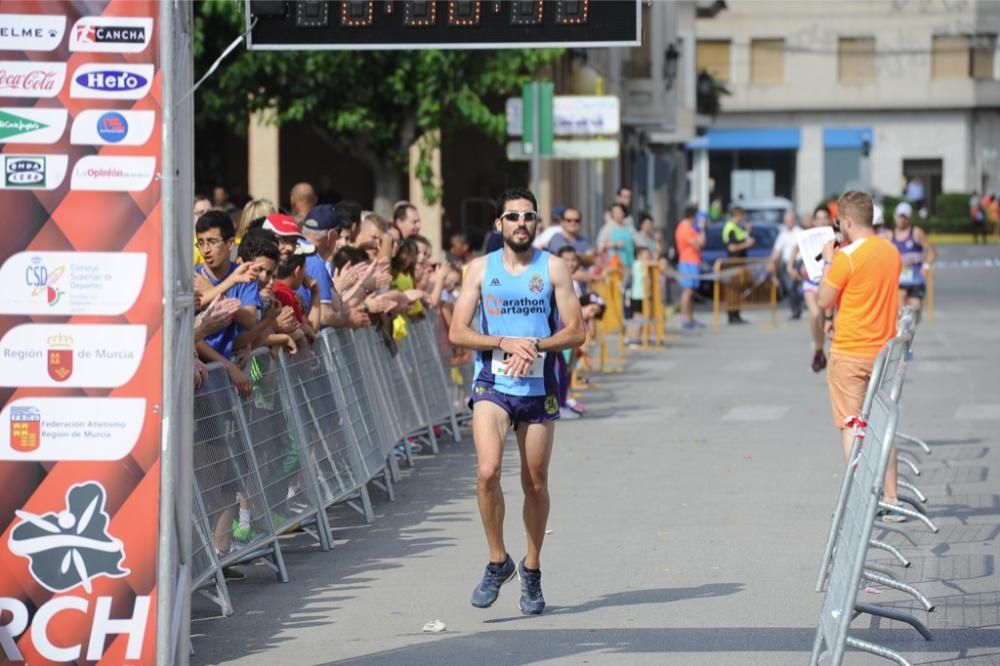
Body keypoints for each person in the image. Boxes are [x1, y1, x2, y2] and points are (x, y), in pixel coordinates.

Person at [449, 187, 585, 616]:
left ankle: (531, 568)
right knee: (488, 471)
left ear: (536, 223)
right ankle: (496, 560)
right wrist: (502, 340)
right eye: (513, 217)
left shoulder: (554, 268)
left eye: (528, 217)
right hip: (492, 382)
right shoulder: (478, 269)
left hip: (539, 387)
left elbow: (577, 331)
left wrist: (536, 345)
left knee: (536, 483)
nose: (521, 224)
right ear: (499, 224)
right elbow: (457, 331)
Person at [818, 190, 906, 522]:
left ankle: (859, 497)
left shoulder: (847, 257)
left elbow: (825, 298)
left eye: (839, 221)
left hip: (850, 351)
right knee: (883, 425)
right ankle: (892, 498)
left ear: (848, 221)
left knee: (851, 424)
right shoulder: (891, 251)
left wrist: (828, 259)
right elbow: (866, 296)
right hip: (883, 352)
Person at [789, 204, 834, 372]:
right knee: (815, 315)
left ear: (830, 219)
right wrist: (790, 266)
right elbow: (795, 248)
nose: (822, 221)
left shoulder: (833, 236)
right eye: (818, 218)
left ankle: (824, 351)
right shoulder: (808, 236)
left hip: (829, 284)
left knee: (827, 319)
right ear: (814, 221)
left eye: (825, 218)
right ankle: (817, 350)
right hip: (811, 282)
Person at [890, 201, 937, 317]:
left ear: (909, 218)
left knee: (915, 311)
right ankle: (901, 331)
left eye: (905, 217)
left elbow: (932, 252)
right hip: (899, 279)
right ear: (895, 216)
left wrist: (926, 266)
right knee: (900, 308)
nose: (902, 220)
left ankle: (910, 330)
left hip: (916, 279)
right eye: (900, 216)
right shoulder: (890, 235)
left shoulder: (916, 233)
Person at [674, 204, 706, 330]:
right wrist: (702, 230)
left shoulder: (691, 228)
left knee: (692, 291)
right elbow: (698, 244)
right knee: (687, 291)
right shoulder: (684, 228)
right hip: (687, 262)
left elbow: (701, 243)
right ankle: (685, 318)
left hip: (693, 261)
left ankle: (690, 317)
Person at [721, 206, 754, 324]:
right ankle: (732, 315)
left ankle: (737, 314)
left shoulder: (737, 227)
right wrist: (747, 244)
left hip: (739, 263)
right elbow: (732, 247)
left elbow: (742, 238)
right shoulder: (730, 228)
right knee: (733, 290)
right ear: (737, 215)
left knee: (738, 289)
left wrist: (748, 231)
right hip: (733, 263)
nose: (743, 218)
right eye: (741, 215)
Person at [771, 210, 802, 319]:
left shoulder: (799, 232)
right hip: (785, 264)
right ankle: (795, 309)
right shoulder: (783, 234)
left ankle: (797, 309)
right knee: (789, 288)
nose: (787, 223)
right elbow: (777, 250)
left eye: (789, 220)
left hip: (797, 263)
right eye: (785, 221)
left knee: (793, 286)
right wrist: (774, 260)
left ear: (794, 220)